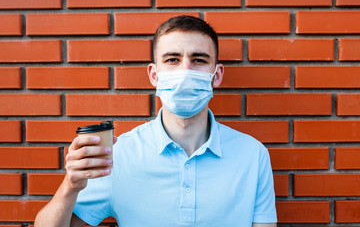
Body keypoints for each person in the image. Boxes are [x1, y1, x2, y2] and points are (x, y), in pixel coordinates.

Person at [35, 15, 277, 227]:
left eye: (199, 60)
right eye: (172, 60)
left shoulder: (252, 155)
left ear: (217, 75)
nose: (185, 71)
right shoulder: (118, 155)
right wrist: (71, 185)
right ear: (154, 75)